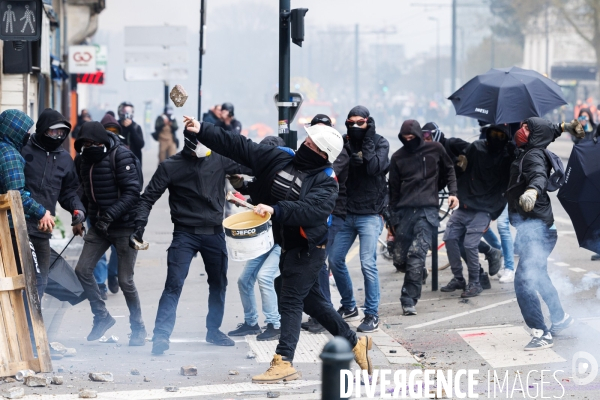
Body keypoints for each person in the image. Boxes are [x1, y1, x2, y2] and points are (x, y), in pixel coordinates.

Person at [185, 116, 373, 383]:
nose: (304, 143)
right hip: (286, 244)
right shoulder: (281, 159)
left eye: (311, 142)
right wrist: (204, 130)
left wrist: (275, 209)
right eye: (307, 139)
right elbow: (241, 146)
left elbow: (310, 210)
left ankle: (284, 360)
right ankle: (355, 342)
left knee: (290, 297)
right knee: (312, 301)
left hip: (309, 248)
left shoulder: (326, 180)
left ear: (322, 153)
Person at [506, 117, 583, 350]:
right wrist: (563, 126)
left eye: (527, 128)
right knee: (538, 275)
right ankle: (560, 318)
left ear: (534, 135)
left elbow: (538, 174)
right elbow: (548, 129)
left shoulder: (533, 156)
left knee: (524, 280)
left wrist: (532, 191)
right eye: (522, 126)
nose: (522, 130)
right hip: (535, 228)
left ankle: (541, 333)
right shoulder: (530, 148)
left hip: (538, 231)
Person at [73, 121, 146, 345]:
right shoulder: (84, 161)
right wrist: (78, 214)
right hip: (98, 225)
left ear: (103, 141)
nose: (89, 147)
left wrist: (109, 216)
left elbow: (133, 192)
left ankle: (138, 328)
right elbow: (83, 191)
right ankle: (102, 316)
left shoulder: (121, 156)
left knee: (125, 281)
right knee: (82, 270)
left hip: (124, 225)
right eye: (85, 144)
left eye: (93, 142)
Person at [328, 105, 390, 333]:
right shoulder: (343, 142)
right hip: (346, 212)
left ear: (368, 122)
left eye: (360, 123)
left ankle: (372, 314)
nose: (355, 127)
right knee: (334, 260)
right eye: (350, 122)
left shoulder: (380, 142)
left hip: (371, 214)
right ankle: (349, 305)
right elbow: (333, 170)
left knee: (367, 264)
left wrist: (368, 142)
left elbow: (375, 167)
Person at [389, 120, 458, 315]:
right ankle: (420, 272)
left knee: (417, 254)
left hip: (427, 211)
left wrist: (453, 192)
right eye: (406, 138)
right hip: (404, 212)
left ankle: (408, 299)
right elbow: (393, 189)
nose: (409, 141)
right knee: (400, 260)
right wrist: (391, 219)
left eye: (412, 137)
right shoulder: (398, 157)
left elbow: (450, 169)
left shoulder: (435, 149)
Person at [425, 122, 505, 279]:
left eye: (427, 135)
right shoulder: (434, 155)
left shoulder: (451, 143)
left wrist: (465, 163)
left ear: (435, 134)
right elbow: (442, 180)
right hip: (462, 197)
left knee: (468, 240)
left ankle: (491, 257)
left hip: (476, 195)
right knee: (455, 238)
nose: (425, 140)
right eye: (423, 137)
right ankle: (478, 275)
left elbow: (480, 154)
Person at [21, 109, 86, 300]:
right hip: (16, 225)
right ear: (42, 130)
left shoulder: (65, 159)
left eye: (62, 133)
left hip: (43, 229)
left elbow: (69, 192)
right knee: (20, 277)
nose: (57, 136)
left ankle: (34, 325)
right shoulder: (23, 149)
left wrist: (78, 211)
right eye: (53, 131)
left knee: (41, 279)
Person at [442, 124, 512, 298]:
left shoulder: (508, 155)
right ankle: (459, 278)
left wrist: (494, 211)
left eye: (501, 135)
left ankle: (475, 282)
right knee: (450, 237)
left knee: (470, 244)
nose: (496, 138)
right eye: (493, 134)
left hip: (485, 209)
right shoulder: (476, 148)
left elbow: (508, 185)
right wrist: (459, 168)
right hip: (466, 205)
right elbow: (456, 162)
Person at [228, 136, 285, 341]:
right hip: (266, 237)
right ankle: (251, 323)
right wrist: (242, 190)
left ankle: (274, 324)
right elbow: (258, 192)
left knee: (265, 277)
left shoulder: (287, 177)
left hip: (283, 239)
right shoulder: (267, 173)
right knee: (244, 280)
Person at [303, 114, 349, 334]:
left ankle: (324, 314)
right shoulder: (308, 148)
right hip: (317, 215)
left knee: (321, 264)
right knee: (315, 264)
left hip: (332, 215)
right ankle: (320, 313)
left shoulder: (334, 152)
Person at [1, 109, 55, 246]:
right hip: (6, 226)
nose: (28, 134)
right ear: (15, 131)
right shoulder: (9, 155)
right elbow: (17, 196)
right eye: (25, 130)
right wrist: (42, 213)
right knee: (18, 266)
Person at [117, 102, 145, 166]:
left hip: (134, 161)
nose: (127, 113)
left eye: (129, 111)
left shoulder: (136, 127)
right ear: (120, 112)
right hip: (119, 161)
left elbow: (140, 144)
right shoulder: (116, 126)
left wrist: (131, 127)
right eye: (124, 111)